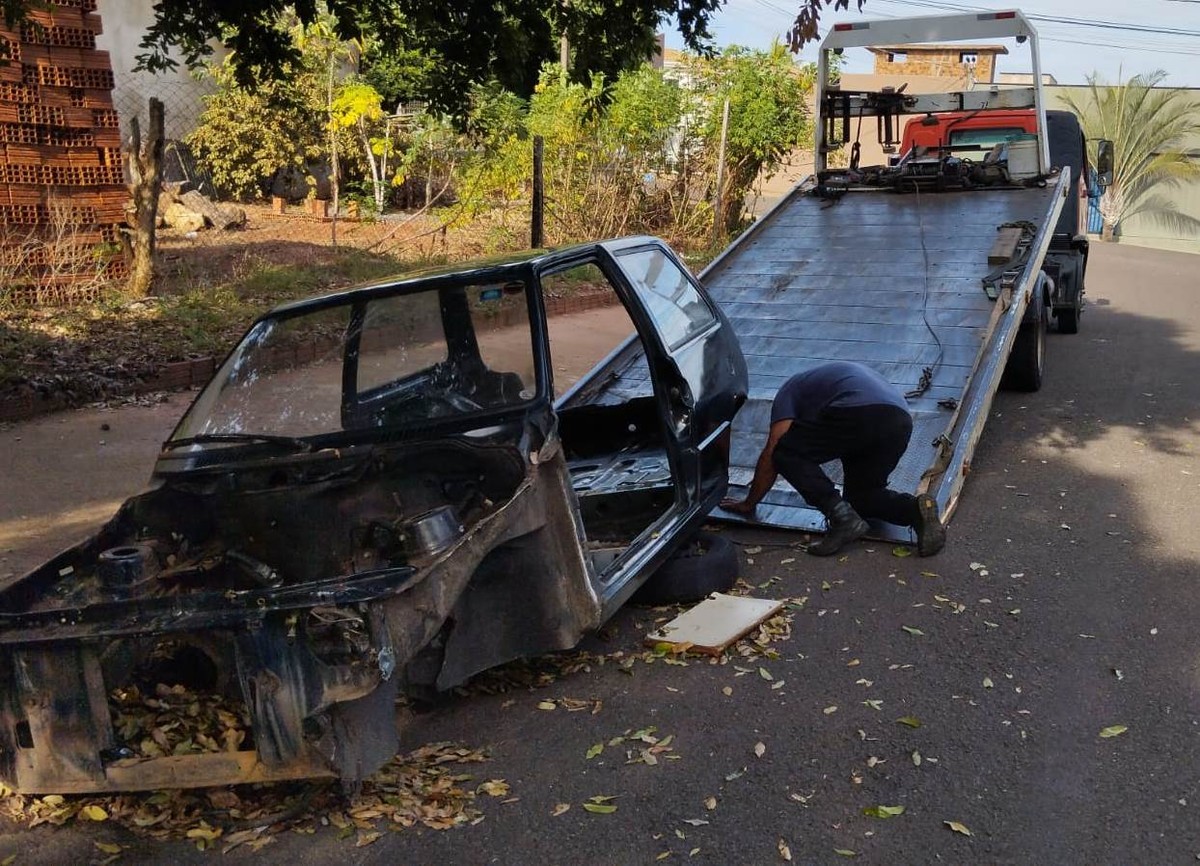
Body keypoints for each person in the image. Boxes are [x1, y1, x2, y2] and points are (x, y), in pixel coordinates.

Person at [721, 361, 946, 557]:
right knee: (862, 498)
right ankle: (915, 511)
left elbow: (774, 448)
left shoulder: (789, 391)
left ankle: (841, 517)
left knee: (785, 452)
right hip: (899, 422)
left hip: (861, 411)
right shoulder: (828, 383)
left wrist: (749, 503)